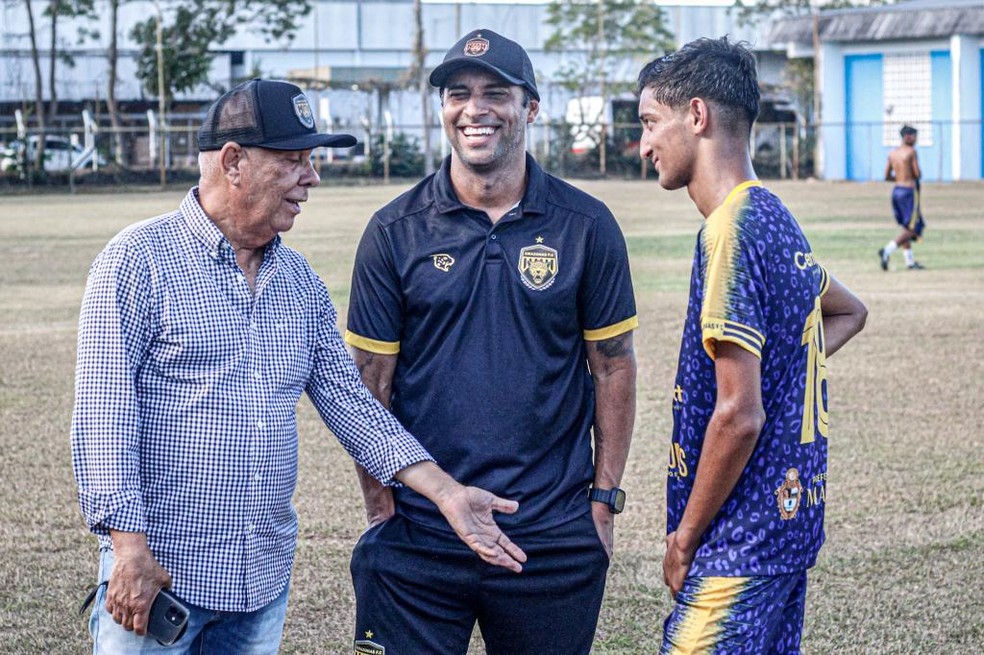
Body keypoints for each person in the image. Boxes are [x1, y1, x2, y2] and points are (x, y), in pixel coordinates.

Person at [71, 78, 527, 654]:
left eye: (311, 161)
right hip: (160, 576)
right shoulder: (136, 261)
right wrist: (129, 550)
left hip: (259, 580)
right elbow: (103, 419)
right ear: (233, 161)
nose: (312, 178)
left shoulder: (300, 283)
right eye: (293, 161)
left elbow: (354, 407)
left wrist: (448, 493)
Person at [344, 29, 638, 654]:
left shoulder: (587, 225)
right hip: (422, 531)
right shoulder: (393, 231)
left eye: (495, 93)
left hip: (550, 532)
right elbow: (368, 383)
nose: (474, 109)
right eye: (458, 94)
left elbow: (612, 367)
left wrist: (604, 501)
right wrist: (382, 511)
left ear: (530, 107)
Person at [636, 38, 867, 653]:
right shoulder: (774, 216)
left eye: (651, 123)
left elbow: (739, 414)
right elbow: (849, 310)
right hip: (789, 536)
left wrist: (684, 538)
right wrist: (787, 372)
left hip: (739, 542)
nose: (644, 144)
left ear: (698, 115)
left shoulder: (730, 232)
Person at [879, 125, 926, 270]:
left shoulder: (892, 153)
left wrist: (899, 178)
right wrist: (908, 178)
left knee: (906, 227)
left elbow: (886, 176)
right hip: (909, 192)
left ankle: (909, 262)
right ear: (908, 137)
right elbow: (917, 174)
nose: (916, 139)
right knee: (913, 228)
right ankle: (887, 250)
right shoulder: (911, 152)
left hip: (896, 191)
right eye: (915, 136)